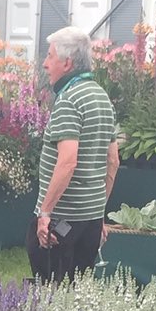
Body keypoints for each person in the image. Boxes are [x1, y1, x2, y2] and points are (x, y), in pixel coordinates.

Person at [30, 27, 119, 283]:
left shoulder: (69, 100)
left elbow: (68, 161)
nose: (45, 64)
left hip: (61, 222)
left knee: (51, 293)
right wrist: (99, 213)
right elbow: (113, 160)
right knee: (76, 294)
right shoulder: (102, 98)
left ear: (67, 63)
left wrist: (45, 215)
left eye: (49, 56)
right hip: (90, 221)